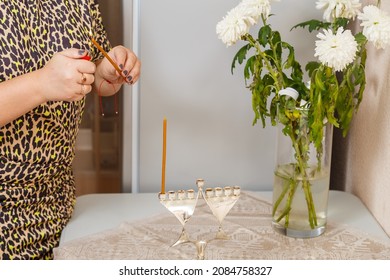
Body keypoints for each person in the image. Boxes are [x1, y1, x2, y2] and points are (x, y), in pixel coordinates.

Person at [0, 0, 141, 259]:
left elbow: (90, 69)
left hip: (60, 209)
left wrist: (104, 73)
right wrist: (41, 84)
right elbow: (50, 80)